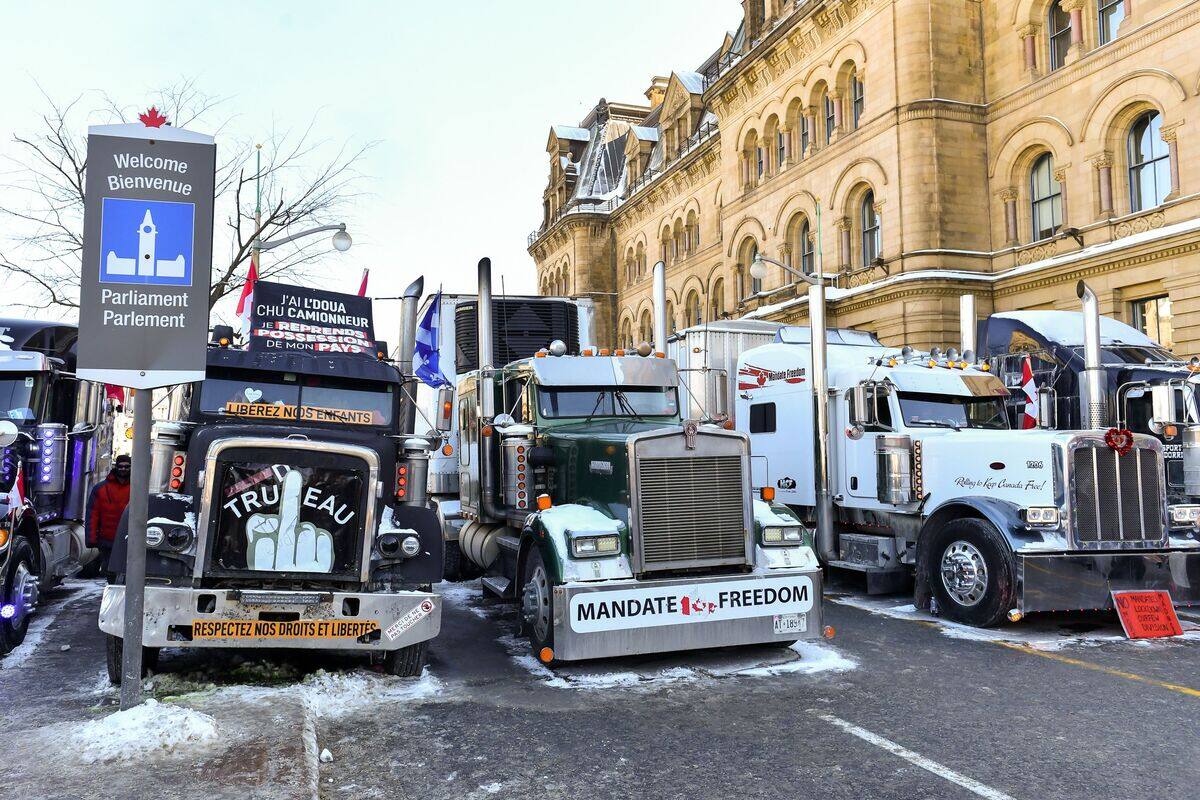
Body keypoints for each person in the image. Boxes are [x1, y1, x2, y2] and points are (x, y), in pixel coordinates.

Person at [86, 455, 131, 574]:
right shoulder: (100, 489)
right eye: (120, 466)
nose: (123, 469)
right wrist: (91, 539)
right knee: (110, 571)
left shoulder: (137, 488)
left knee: (125, 571)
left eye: (126, 466)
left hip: (128, 539)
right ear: (116, 467)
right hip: (107, 540)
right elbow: (92, 515)